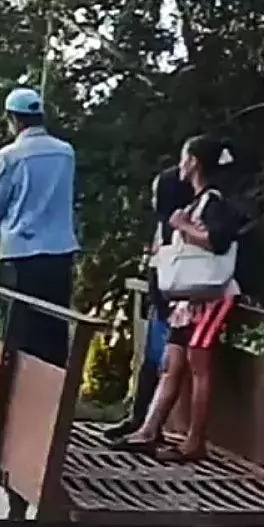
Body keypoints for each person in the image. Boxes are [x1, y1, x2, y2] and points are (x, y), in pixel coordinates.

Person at [117, 135, 245, 463]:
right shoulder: (198, 201)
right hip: (188, 299)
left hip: (211, 297)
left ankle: (194, 442)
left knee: (199, 366)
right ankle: (148, 429)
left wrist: (184, 228)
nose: (181, 165)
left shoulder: (215, 202)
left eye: (184, 158)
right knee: (173, 364)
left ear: (194, 163)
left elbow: (218, 241)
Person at [0, 87, 80, 366]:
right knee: (54, 325)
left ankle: (19, 391)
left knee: (23, 327)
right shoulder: (65, 152)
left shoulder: (10, 156)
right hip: (60, 250)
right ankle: (55, 388)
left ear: (14, 119)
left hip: (23, 252)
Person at [102, 163, 192, 441]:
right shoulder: (163, 225)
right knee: (150, 364)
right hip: (160, 303)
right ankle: (138, 418)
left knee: (163, 365)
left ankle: (150, 427)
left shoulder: (178, 226)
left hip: (172, 305)